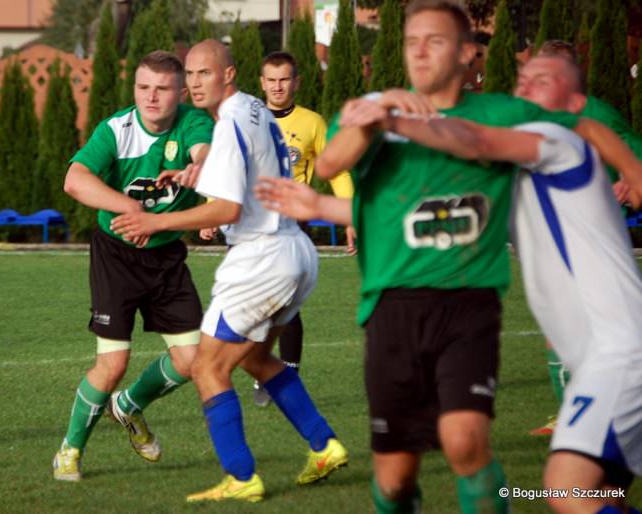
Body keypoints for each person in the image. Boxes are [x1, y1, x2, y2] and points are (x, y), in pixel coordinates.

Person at [263, 0, 614, 511]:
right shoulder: (374, 110)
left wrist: (630, 168)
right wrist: (379, 117)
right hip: (392, 310)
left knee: (465, 442)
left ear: (469, 53)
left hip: (469, 304)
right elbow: (330, 162)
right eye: (411, 42)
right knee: (395, 478)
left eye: (436, 40)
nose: (420, 52)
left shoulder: (501, 114)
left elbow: (585, 127)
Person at [110, 39, 347, 503]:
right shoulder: (255, 110)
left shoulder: (232, 121)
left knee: (207, 368)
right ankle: (325, 446)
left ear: (229, 74)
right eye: (190, 75)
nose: (194, 83)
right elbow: (246, 171)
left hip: (260, 260)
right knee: (257, 359)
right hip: (296, 251)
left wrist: (155, 220)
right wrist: (192, 176)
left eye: (204, 73)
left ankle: (240, 476)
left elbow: (226, 208)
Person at [52, 50, 214, 482]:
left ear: (180, 92)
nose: (151, 97)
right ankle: (70, 450)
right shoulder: (117, 129)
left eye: (162, 89)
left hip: (165, 256)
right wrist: (127, 206)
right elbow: (74, 179)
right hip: (116, 255)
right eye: (143, 87)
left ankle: (128, 406)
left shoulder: (194, 122)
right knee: (113, 364)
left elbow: (205, 152)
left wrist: (201, 169)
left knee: (192, 359)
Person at [526, 39, 642, 436]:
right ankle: (579, 415)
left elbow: (635, 153)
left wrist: (628, 181)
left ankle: (584, 421)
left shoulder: (596, 114)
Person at [251, 50, 356, 407]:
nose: (278, 87)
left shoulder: (312, 123)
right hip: (251, 224)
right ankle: (266, 368)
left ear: (296, 82)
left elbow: (337, 170)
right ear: (262, 83)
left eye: (285, 80)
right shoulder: (248, 119)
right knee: (256, 303)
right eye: (271, 80)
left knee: (286, 303)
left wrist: (350, 214)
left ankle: (286, 377)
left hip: (293, 223)